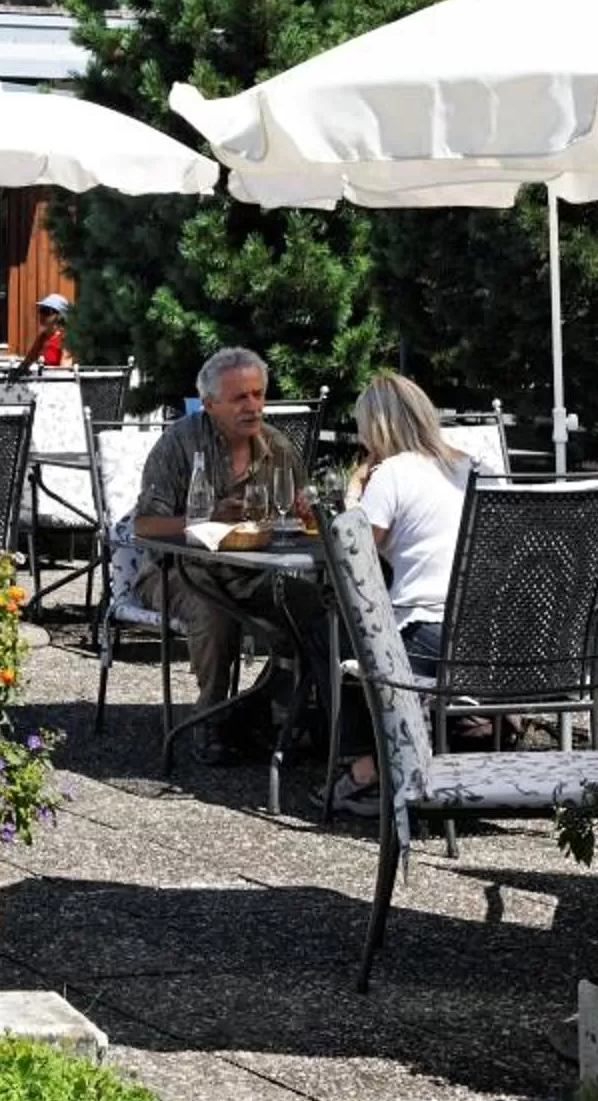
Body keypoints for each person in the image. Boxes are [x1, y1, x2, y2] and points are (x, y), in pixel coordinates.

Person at [130, 345, 306, 761]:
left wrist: (303, 511)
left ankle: (265, 707)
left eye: (259, 394)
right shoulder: (179, 444)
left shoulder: (277, 447)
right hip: (175, 568)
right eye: (240, 398)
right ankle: (210, 717)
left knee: (311, 609)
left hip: (249, 568)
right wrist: (207, 518)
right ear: (209, 404)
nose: (253, 406)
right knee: (215, 611)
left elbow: (295, 509)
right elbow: (145, 526)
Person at [331, 372, 479, 815]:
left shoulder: (393, 472)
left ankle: (367, 767)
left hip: (432, 637)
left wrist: (354, 489)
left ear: (374, 429)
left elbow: (355, 547)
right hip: (487, 632)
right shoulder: (467, 465)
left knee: (343, 630)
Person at [14, 292, 71, 375]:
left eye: (47, 311)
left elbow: (64, 373)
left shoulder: (66, 339)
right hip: (44, 383)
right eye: (41, 310)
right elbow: (27, 362)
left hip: (57, 384)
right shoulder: (43, 337)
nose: (42, 315)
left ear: (59, 315)